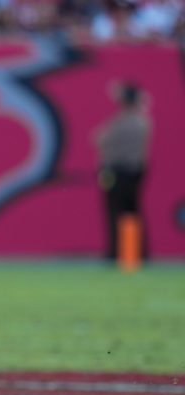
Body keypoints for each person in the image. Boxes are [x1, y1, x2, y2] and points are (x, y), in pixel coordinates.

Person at [94, 82, 151, 261]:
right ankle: (137, 252)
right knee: (132, 211)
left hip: (116, 171)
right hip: (135, 171)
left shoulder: (124, 121)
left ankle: (117, 252)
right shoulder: (142, 120)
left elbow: (100, 139)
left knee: (115, 211)